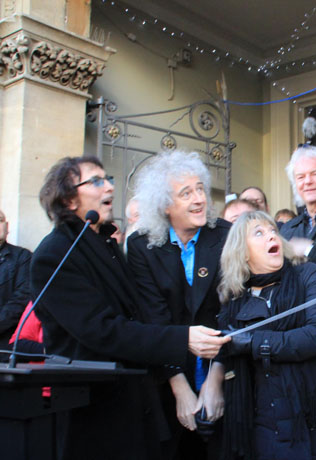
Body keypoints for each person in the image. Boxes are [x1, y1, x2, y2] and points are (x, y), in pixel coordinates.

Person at [31, 156, 229, 460]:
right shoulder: (55, 253)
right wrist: (181, 340)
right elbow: (103, 330)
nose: (109, 185)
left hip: (132, 400)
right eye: (96, 181)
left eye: (107, 177)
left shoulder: (102, 243)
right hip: (92, 408)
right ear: (70, 200)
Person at [206, 210, 316, 459]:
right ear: (242, 251)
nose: (271, 235)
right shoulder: (234, 298)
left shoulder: (308, 274)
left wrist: (254, 343)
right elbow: (225, 345)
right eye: (259, 233)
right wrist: (212, 383)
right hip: (270, 421)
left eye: (273, 230)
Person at [127, 150, 232, 459]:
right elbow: (153, 320)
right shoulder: (142, 246)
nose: (199, 198)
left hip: (224, 369)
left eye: (200, 188)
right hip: (166, 378)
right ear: (164, 205)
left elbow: (232, 313)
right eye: (186, 193)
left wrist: (216, 381)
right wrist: (179, 387)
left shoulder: (226, 236)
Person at [280, 145, 316, 288]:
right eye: (301, 177)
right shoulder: (287, 229)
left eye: (315, 174)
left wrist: (309, 250)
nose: (308, 181)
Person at [0, 208, 32, 349]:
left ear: (7, 227)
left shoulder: (22, 257)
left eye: (0, 220)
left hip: (6, 345)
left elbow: (21, 299)